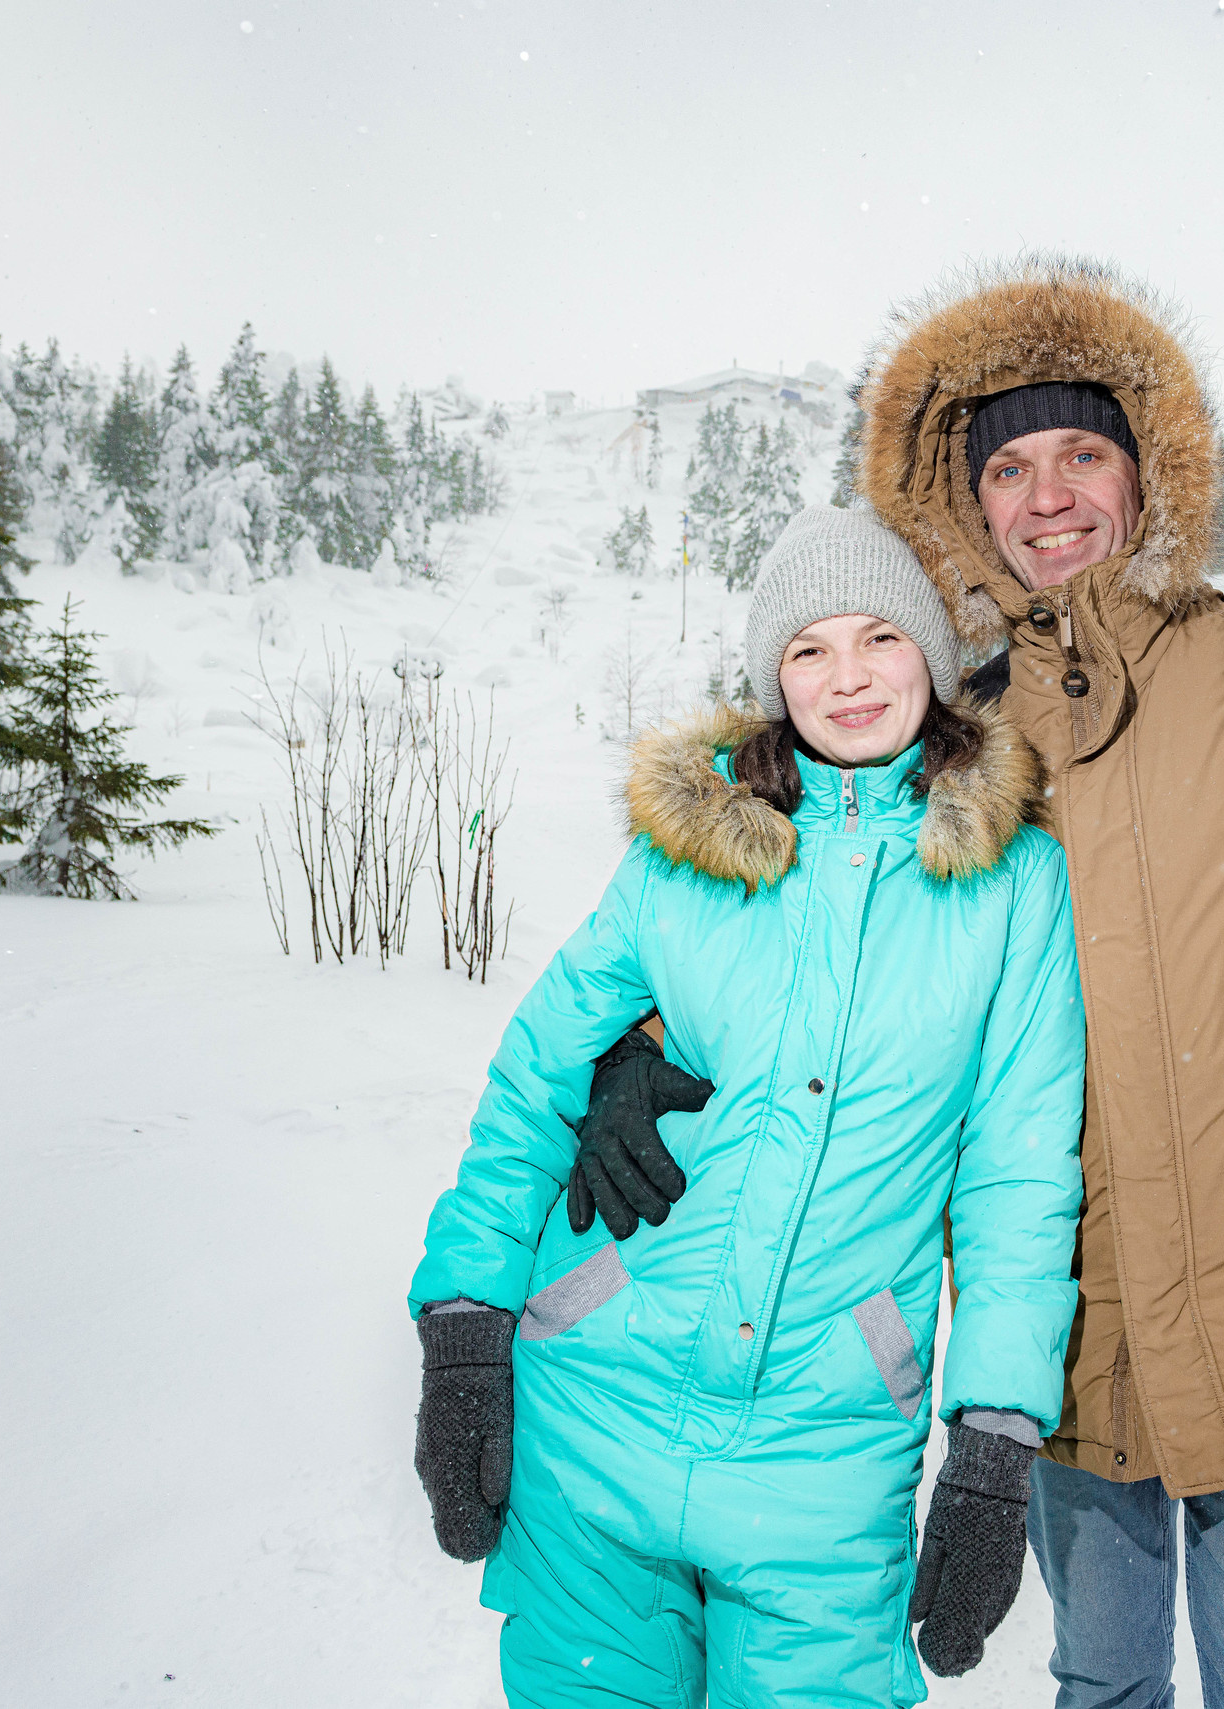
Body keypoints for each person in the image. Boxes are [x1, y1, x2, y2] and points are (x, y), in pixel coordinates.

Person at [572, 258, 1224, 1708]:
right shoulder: (957, 738)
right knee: (1102, 1689)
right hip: (1071, 1338)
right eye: (1008, 465)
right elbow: (811, 936)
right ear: (964, 505)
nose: (1050, 496)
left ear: (1150, 472)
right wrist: (636, 1041)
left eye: (1085, 451)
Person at [407, 503, 1087, 1707]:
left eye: (879, 636)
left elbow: (1018, 1171)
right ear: (774, 676)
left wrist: (993, 1439)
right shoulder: (688, 851)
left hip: (823, 1459)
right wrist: (465, 1318)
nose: (849, 676)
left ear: (931, 650)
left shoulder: (1011, 881)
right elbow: (534, 1080)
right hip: (595, 1405)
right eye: (809, 648)